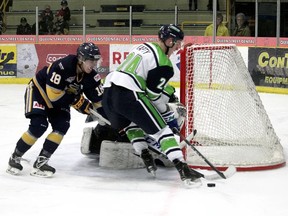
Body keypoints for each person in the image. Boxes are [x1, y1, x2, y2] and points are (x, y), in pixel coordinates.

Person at [101, 24, 203, 187]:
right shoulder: (164, 64)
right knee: (163, 130)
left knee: (131, 124)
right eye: (177, 42)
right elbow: (153, 98)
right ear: (169, 41)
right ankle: (184, 170)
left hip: (108, 94)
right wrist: (168, 116)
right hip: (128, 93)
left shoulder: (143, 46)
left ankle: (145, 154)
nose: (178, 47)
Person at [7, 42, 105, 178]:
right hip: (39, 91)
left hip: (62, 97)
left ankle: (42, 161)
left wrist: (104, 115)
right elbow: (54, 96)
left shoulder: (91, 77)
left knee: (62, 126)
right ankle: (15, 158)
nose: (94, 64)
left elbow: (99, 102)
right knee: (39, 126)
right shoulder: (63, 66)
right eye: (91, 60)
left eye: (96, 60)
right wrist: (78, 102)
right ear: (81, 59)